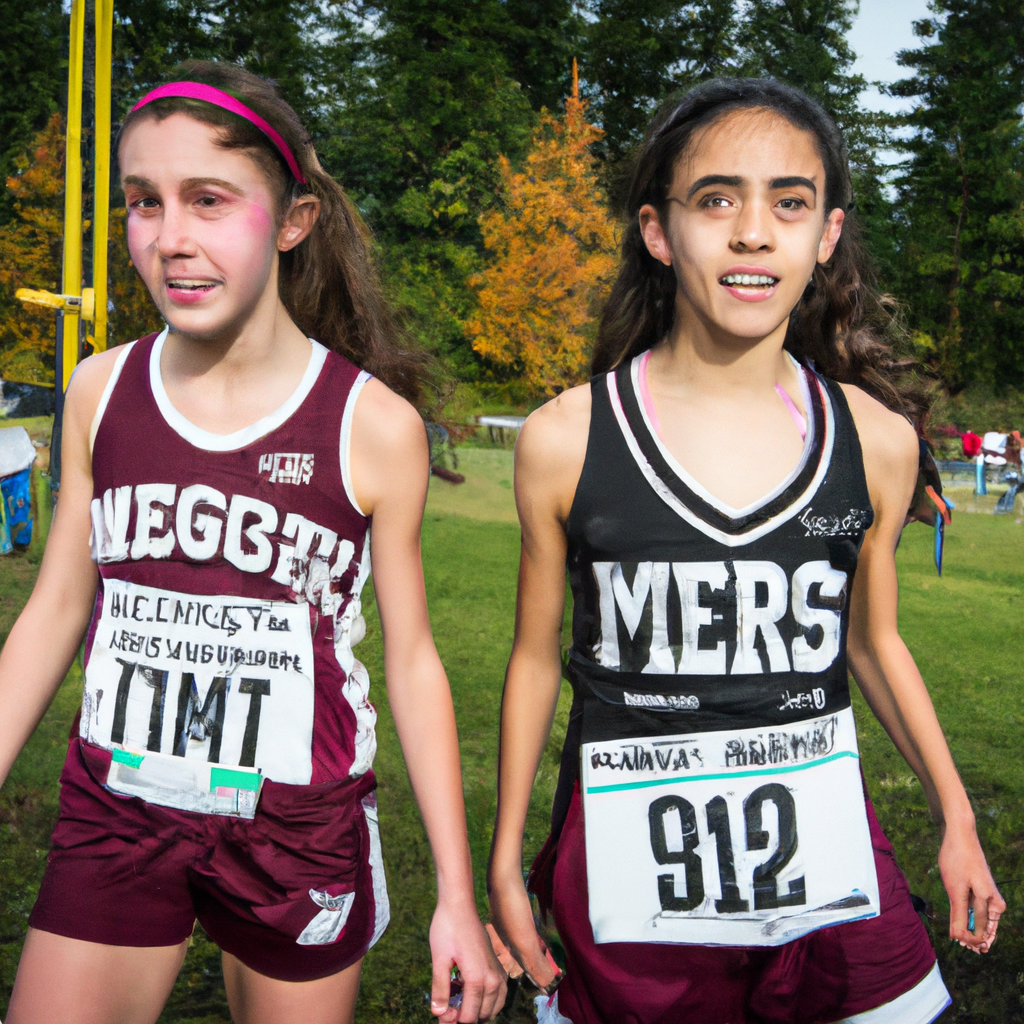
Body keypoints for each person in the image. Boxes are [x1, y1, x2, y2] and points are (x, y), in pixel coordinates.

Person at [488, 78, 1004, 1024]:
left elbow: (873, 644)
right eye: (716, 199)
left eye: (789, 203)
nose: (753, 232)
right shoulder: (568, 438)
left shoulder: (877, 442)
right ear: (658, 230)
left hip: (827, 860)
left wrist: (955, 816)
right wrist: (503, 856)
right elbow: (533, 660)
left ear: (828, 234)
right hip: (627, 874)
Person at [0, 61, 505, 1024]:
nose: (172, 239)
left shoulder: (372, 424)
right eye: (144, 203)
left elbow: (411, 660)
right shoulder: (100, 392)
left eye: (209, 200)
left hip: (293, 827)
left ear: (291, 221)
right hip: (120, 810)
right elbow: (58, 607)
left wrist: (454, 894)